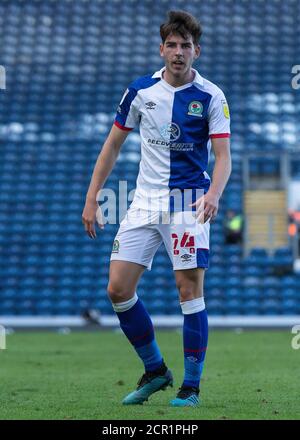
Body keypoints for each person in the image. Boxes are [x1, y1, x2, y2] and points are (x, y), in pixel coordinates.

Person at [82, 10, 231, 407]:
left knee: (188, 292)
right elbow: (112, 145)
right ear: (161, 48)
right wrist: (92, 195)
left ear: (196, 51)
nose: (178, 52)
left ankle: (191, 387)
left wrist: (214, 193)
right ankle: (156, 370)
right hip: (144, 202)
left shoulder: (211, 96)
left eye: (185, 46)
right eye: (172, 45)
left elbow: (223, 156)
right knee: (118, 289)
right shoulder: (140, 91)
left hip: (188, 203)